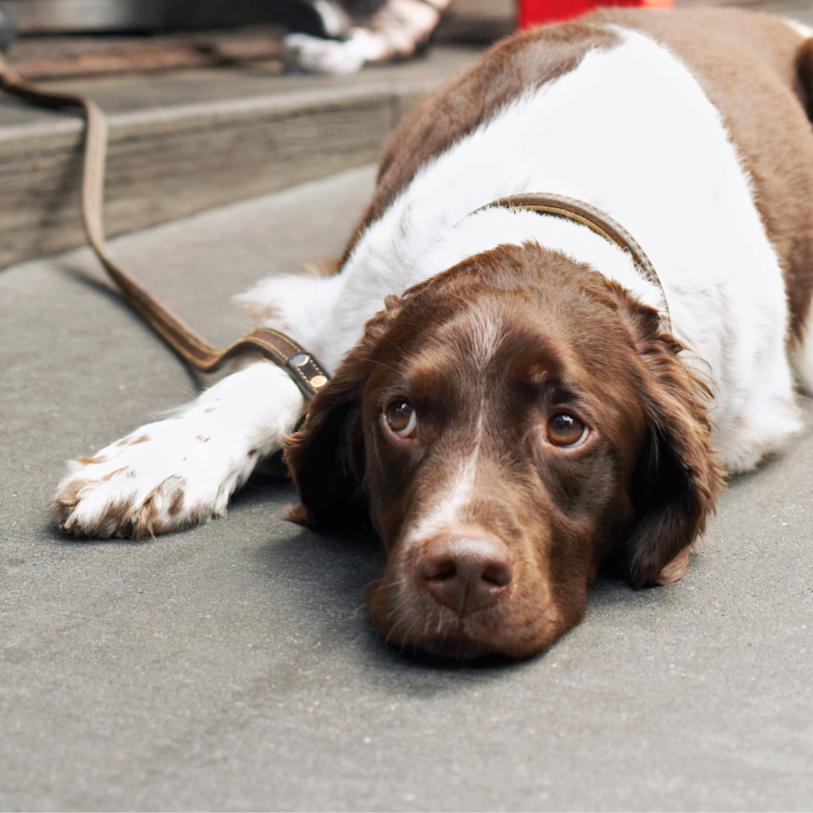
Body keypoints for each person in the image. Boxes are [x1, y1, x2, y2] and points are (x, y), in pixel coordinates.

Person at [283, 0, 453, 74]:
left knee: (407, 31)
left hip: (372, 32)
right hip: (344, 18)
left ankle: (353, 49)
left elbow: (414, 27)